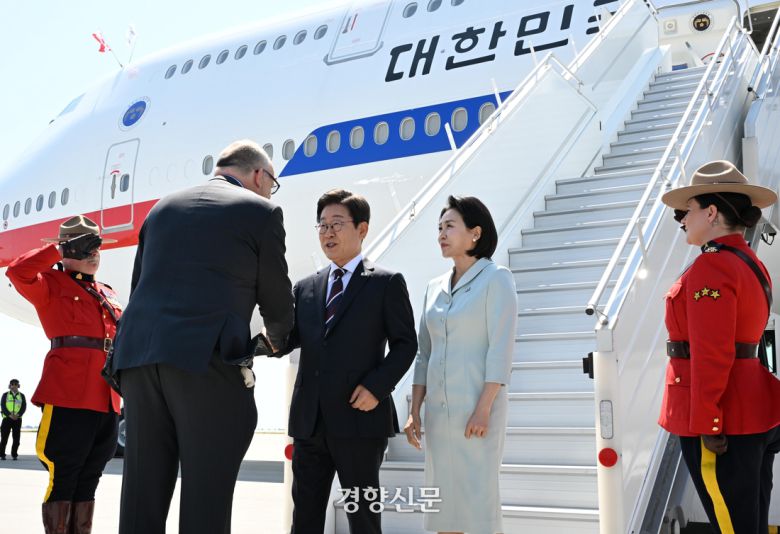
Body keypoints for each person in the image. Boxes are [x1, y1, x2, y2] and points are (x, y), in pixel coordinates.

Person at [112, 139, 294, 534]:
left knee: (141, 495)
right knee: (206, 496)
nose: (270, 191)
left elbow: (138, 286)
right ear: (259, 175)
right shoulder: (261, 212)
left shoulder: (161, 209)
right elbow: (277, 299)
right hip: (204, 364)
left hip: (139, 360)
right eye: (272, 183)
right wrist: (277, 339)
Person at [283, 189, 417, 534]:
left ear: (362, 229)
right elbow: (287, 340)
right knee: (305, 518)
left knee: (363, 518)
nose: (328, 232)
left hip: (360, 420)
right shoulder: (305, 288)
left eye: (337, 224)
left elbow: (406, 345)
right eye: (322, 225)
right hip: (310, 422)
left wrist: (376, 387)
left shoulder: (386, 283)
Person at [658, 160, 780, 533]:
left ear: (711, 213)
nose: (681, 219)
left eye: (687, 210)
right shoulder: (749, 261)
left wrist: (708, 421)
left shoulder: (712, 267)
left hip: (723, 420)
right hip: (751, 410)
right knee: (749, 523)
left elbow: (712, 352)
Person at [404, 195, 517, 534]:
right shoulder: (433, 288)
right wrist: (415, 409)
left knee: (478, 505)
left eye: (449, 226)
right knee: (444, 507)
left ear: (475, 233)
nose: (441, 234)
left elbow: (500, 349)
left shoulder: (496, 278)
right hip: (439, 416)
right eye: (439, 228)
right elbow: (424, 353)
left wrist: (483, 408)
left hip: (477, 411)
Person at [6, 215, 122, 534]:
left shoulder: (107, 293)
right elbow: (16, 272)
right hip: (69, 396)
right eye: (86, 248)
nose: (93, 254)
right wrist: (59, 250)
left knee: (90, 478)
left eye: (96, 247)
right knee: (65, 475)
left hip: (107, 398)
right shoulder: (50, 284)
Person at [1, 378, 27, 460]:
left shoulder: (22, 396)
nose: (14, 386)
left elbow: (23, 407)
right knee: (4, 438)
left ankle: (14, 454)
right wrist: (9, 415)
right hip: (7, 419)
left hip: (17, 419)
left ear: (18, 386)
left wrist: (18, 415)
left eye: (16, 384)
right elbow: (3, 406)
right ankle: (2, 454)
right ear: (10, 386)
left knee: (16, 439)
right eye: (12, 384)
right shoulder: (5, 395)